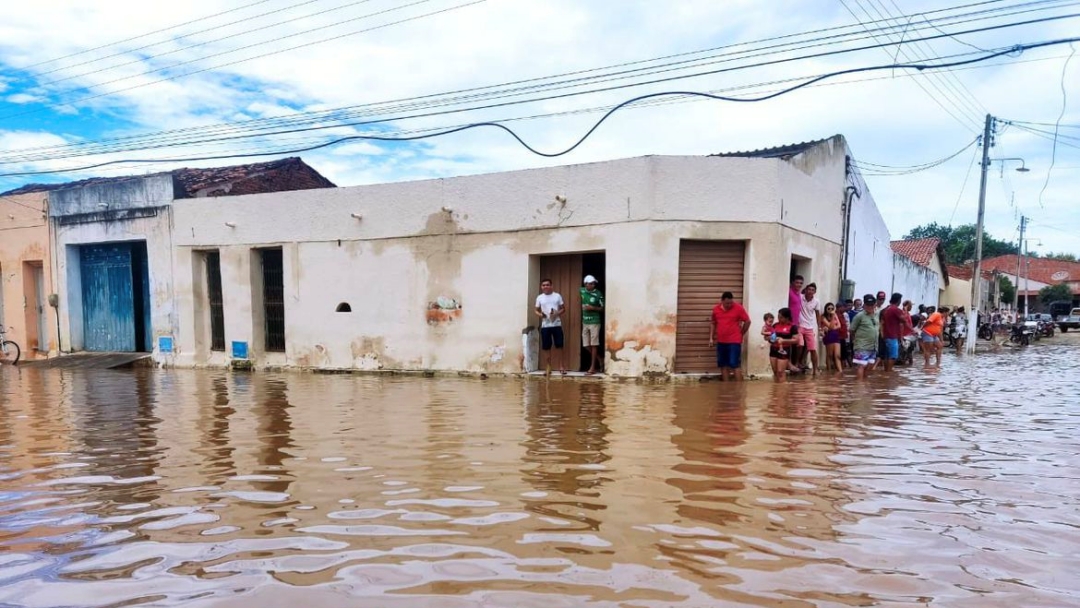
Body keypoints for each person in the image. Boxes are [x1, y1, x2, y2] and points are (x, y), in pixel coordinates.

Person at [708, 291, 751, 381]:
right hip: (721, 341)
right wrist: (711, 338)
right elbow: (713, 323)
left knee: (734, 364)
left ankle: (740, 389)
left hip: (734, 341)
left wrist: (742, 333)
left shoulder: (738, 308)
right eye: (727, 303)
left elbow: (747, 321)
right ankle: (726, 388)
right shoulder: (716, 309)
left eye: (731, 303)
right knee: (723, 364)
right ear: (722, 301)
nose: (729, 305)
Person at [534, 279, 566, 375]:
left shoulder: (557, 296)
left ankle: (561, 366)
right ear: (541, 287)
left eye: (547, 285)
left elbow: (563, 309)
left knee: (559, 346)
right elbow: (535, 310)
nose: (545, 287)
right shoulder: (539, 297)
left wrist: (556, 313)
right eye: (543, 285)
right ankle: (548, 368)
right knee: (546, 347)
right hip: (545, 326)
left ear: (551, 286)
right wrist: (540, 315)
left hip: (556, 324)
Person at [849, 294, 881, 380]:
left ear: (875, 305)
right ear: (864, 305)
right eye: (867, 305)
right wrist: (856, 341)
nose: (869, 307)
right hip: (862, 346)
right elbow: (852, 330)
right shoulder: (859, 316)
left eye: (871, 305)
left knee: (869, 366)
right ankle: (859, 386)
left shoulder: (877, 315)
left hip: (873, 346)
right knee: (861, 365)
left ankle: (864, 384)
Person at [880, 292, 913, 372]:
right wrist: (913, 330)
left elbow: (882, 323)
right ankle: (889, 372)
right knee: (893, 356)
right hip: (892, 336)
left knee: (887, 355)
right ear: (898, 300)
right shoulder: (895, 310)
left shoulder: (886, 309)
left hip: (886, 335)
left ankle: (886, 372)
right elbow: (904, 321)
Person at [769, 308, 802, 383]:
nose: (779, 319)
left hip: (784, 351)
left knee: (780, 372)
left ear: (787, 318)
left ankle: (783, 390)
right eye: (778, 317)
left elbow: (796, 340)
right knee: (775, 372)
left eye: (781, 317)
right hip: (773, 350)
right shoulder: (775, 325)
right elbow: (771, 338)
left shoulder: (793, 327)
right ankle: (776, 391)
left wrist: (784, 341)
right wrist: (769, 338)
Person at [580, 275, 605, 375]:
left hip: (595, 321)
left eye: (593, 283)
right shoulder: (581, 291)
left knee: (594, 344)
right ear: (585, 284)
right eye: (590, 283)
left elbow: (603, 308)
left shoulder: (598, 294)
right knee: (586, 345)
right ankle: (600, 359)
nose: (592, 285)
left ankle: (593, 367)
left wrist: (593, 308)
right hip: (585, 322)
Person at [798, 282, 823, 375]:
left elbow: (818, 315)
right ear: (806, 290)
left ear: (815, 291)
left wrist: (819, 328)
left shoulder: (816, 301)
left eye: (813, 290)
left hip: (810, 327)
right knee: (800, 344)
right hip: (800, 325)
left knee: (812, 349)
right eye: (809, 289)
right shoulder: (800, 297)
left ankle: (815, 369)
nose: (810, 291)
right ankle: (798, 362)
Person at [788, 276, 805, 373]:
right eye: (797, 282)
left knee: (798, 344)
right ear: (792, 283)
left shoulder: (799, 294)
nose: (799, 285)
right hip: (790, 323)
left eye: (800, 283)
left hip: (796, 323)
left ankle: (795, 363)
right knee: (789, 344)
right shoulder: (789, 292)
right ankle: (789, 364)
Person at [821, 302, 843, 373]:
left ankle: (840, 371)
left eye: (832, 308)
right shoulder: (823, 317)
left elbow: (839, 325)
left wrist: (833, 327)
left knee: (837, 355)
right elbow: (830, 326)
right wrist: (833, 317)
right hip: (829, 336)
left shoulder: (835, 314)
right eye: (829, 308)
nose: (830, 310)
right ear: (826, 309)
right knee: (829, 355)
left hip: (836, 336)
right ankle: (829, 371)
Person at [837, 300, 851, 367]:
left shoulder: (843, 315)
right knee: (841, 355)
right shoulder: (836, 315)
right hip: (838, 338)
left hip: (843, 337)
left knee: (844, 355)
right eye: (844, 307)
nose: (845, 308)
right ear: (840, 307)